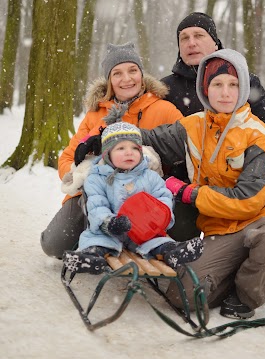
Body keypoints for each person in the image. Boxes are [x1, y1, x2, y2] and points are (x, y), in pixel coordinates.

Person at [140, 48, 265, 319]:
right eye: (217, 84)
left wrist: (188, 193)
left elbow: (246, 200)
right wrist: (107, 138)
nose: (225, 92)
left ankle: (250, 291)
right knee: (182, 295)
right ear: (205, 89)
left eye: (233, 84)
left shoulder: (259, 135)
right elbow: (151, 139)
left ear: (242, 89)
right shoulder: (193, 126)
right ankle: (240, 269)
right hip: (222, 227)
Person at [40, 42, 183, 259]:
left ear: (141, 75)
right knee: (54, 245)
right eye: (117, 73)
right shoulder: (96, 113)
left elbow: (183, 146)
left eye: (133, 70)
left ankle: (136, 242)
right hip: (98, 193)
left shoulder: (164, 110)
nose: (126, 79)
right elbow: (68, 157)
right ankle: (96, 236)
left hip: (141, 195)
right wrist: (84, 176)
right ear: (109, 80)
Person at [161, 12, 265, 195]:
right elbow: (158, 138)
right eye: (184, 38)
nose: (191, 43)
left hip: (239, 182)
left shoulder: (244, 82)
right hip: (184, 187)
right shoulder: (165, 88)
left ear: (215, 42)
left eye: (199, 35)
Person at [62, 116, 203, 273]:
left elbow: (163, 198)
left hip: (143, 231)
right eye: (121, 148)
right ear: (107, 154)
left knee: (158, 241)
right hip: (109, 231)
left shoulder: (149, 176)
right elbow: (96, 206)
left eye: (135, 148)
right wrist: (109, 222)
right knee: (97, 241)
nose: (129, 153)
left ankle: (173, 251)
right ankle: (90, 259)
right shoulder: (97, 178)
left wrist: (159, 217)